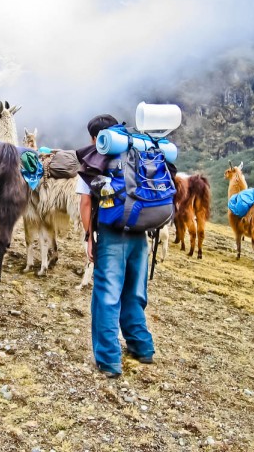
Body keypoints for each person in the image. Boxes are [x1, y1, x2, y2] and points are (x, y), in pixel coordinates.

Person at [76, 114, 155, 379]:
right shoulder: (138, 152)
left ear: (95, 138)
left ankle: (109, 361)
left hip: (112, 233)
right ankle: (142, 348)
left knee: (107, 296)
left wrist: (90, 237)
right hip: (141, 231)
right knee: (134, 291)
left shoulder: (95, 157)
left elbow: (85, 203)